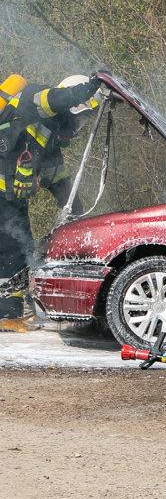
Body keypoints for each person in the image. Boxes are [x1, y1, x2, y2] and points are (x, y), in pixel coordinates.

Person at [0, 74, 105, 331]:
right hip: (3, 197)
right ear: (70, 108)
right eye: (80, 118)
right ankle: (7, 316)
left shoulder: (48, 142)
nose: (79, 127)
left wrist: (81, 221)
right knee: (12, 249)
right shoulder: (33, 101)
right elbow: (52, 99)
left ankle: (10, 310)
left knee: (20, 246)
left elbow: (60, 184)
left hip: (10, 201)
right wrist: (86, 90)